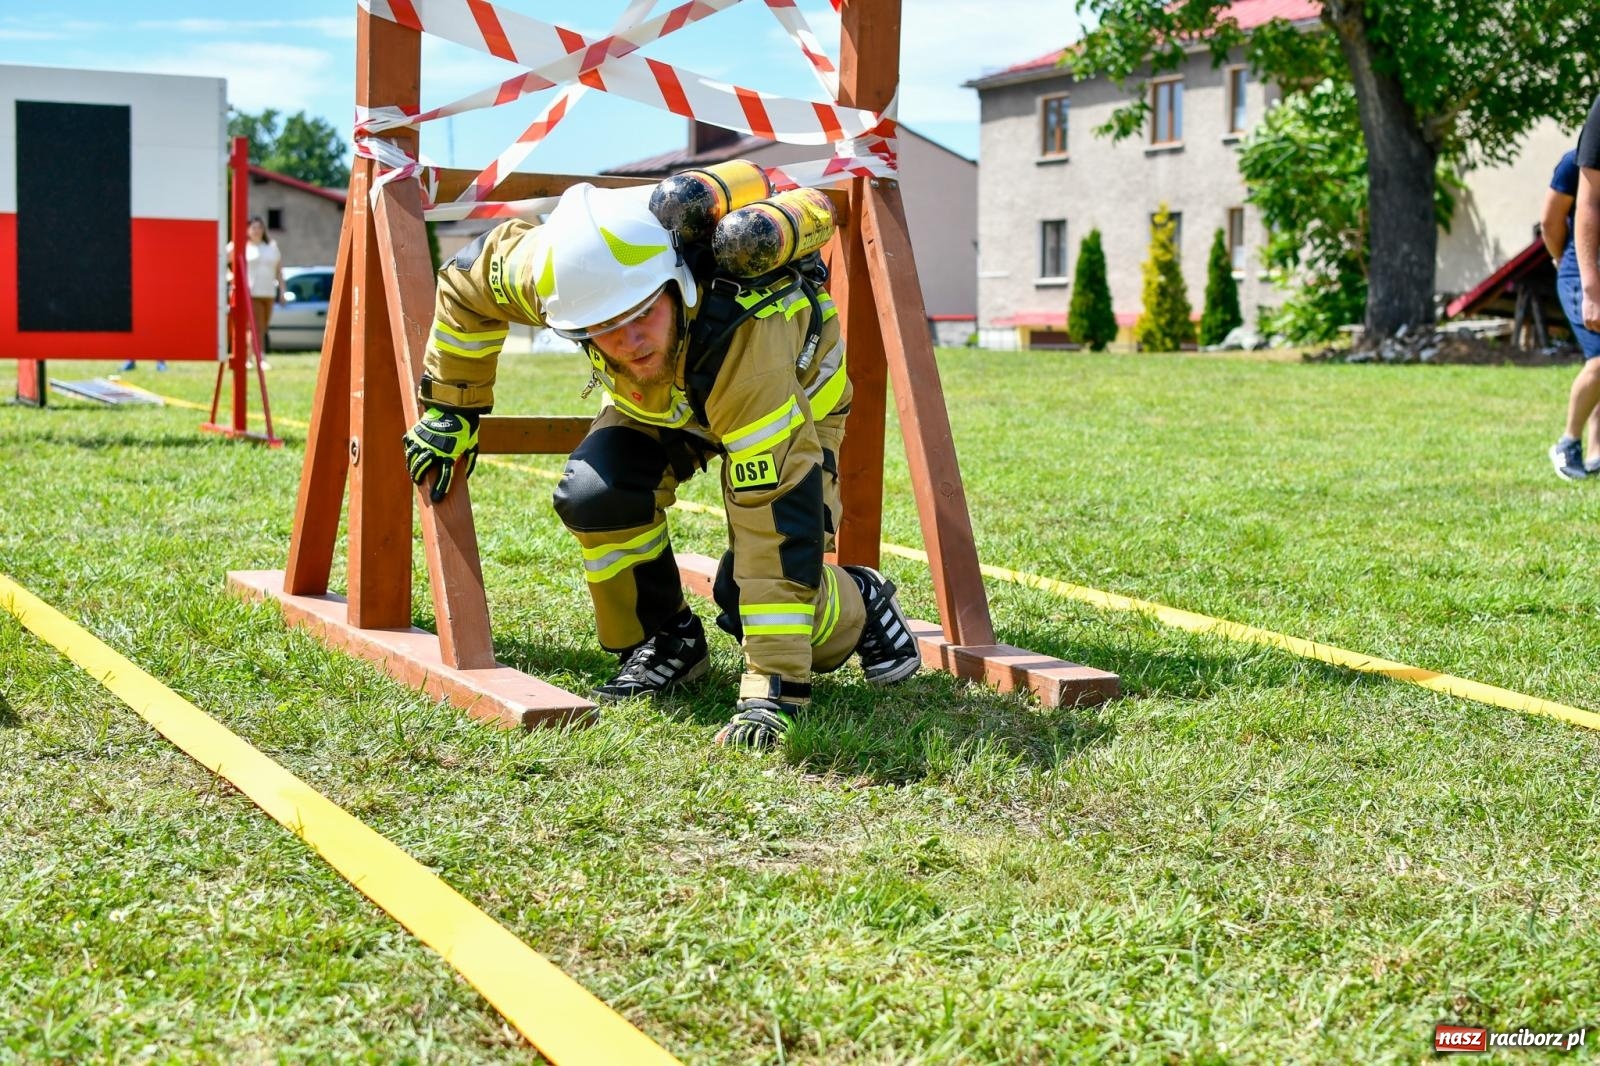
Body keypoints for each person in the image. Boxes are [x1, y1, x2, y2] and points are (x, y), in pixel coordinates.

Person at [401, 181, 922, 750]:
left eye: (642, 313)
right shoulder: (550, 273)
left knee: (747, 589)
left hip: (786, 401)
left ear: (676, 285)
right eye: (602, 328)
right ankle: (666, 641)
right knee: (597, 493)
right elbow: (463, 281)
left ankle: (860, 602)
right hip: (662, 403)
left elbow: (774, 526)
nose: (628, 341)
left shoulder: (747, 346)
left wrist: (774, 692)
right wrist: (453, 407)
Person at [1544, 143, 1600, 478]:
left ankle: (1596, 452)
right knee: (1599, 359)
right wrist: (1561, 261)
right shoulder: (1572, 163)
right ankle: (1567, 442)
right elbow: (1550, 221)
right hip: (1581, 273)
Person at [225, 215, 283, 370]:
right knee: (254, 327)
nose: (257, 231)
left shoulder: (271, 247)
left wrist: (282, 291)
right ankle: (257, 358)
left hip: (268, 292)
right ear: (247, 230)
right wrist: (229, 275)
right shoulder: (241, 246)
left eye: (260, 227)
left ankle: (252, 357)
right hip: (251, 291)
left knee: (262, 327)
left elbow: (278, 270)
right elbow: (223, 258)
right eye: (253, 227)